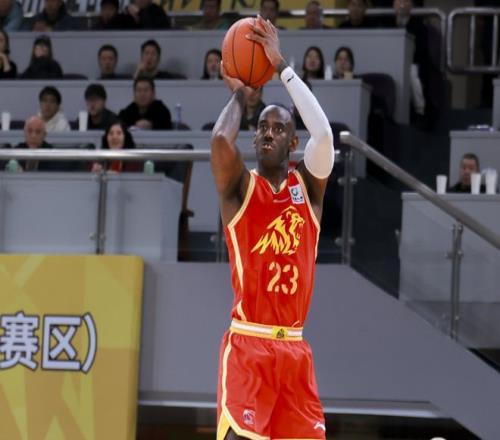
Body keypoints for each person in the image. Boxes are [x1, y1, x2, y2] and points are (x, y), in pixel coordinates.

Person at [211, 15, 333, 440]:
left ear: (292, 143)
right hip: (249, 345)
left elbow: (324, 135)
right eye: (262, 127)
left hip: (295, 350)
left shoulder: (308, 191)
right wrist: (241, 95)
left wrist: (280, 67)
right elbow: (220, 142)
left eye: (279, 128)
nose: (268, 133)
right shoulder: (240, 189)